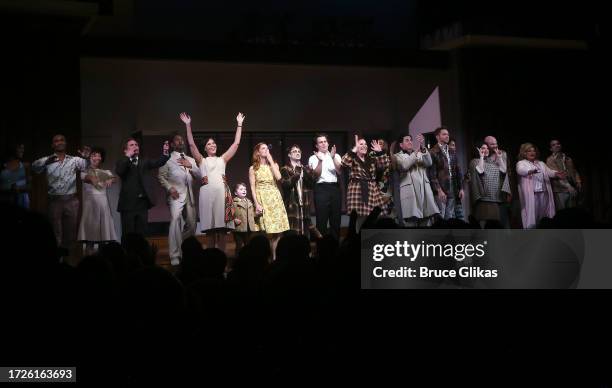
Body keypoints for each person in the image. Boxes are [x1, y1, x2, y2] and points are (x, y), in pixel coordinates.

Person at [180, 112, 244, 252]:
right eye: (209, 144)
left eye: (214, 143)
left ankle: (221, 259)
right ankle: (209, 260)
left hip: (221, 194)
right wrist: (188, 125)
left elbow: (236, 143)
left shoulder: (223, 159)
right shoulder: (201, 160)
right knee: (210, 231)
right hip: (207, 195)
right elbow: (191, 144)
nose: (212, 145)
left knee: (221, 231)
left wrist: (239, 124)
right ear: (205, 147)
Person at [32, 134, 91, 257]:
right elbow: (35, 167)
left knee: (70, 234)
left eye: (62, 140)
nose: (59, 142)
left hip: (71, 200)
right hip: (55, 201)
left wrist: (86, 157)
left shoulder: (74, 160)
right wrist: (46, 161)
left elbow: (86, 166)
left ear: (65, 143)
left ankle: (68, 261)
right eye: (56, 141)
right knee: (55, 232)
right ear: (53, 145)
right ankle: (57, 260)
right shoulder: (47, 160)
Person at [158, 133, 201, 266]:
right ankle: (175, 255)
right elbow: (161, 176)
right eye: (177, 140)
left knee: (192, 224)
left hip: (190, 194)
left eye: (182, 140)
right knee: (175, 220)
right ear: (172, 144)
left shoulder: (190, 159)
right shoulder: (167, 159)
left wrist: (190, 165)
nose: (181, 141)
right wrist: (170, 188)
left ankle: (185, 250)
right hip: (176, 194)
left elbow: (200, 175)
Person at [116, 137, 170, 237]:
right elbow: (120, 171)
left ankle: (141, 252)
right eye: (131, 145)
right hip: (128, 204)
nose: (135, 146)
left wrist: (165, 153)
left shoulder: (144, 162)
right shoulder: (121, 161)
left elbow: (157, 162)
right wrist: (128, 156)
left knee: (141, 233)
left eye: (136, 145)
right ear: (125, 150)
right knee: (128, 234)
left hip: (142, 203)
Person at [249, 143, 289, 260]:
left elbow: (279, 178)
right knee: (268, 232)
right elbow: (252, 187)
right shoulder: (253, 168)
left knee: (278, 231)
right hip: (263, 199)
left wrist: (271, 161)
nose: (266, 150)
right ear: (258, 152)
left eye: (267, 148)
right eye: (263, 148)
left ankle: (277, 258)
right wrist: (256, 203)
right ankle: (267, 258)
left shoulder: (273, 165)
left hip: (275, 198)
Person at [341, 135, 390, 228]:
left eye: (365, 144)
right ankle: (358, 238)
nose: (364, 145)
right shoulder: (353, 159)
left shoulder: (371, 159)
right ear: (355, 146)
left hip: (372, 190)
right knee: (360, 217)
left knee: (374, 216)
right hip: (357, 190)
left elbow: (384, 165)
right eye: (361, 144)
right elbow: (344, 162)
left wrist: (379, 152)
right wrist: (354, 150)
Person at [392, 134, 439, 227]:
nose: (410, 141)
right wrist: (415, 153)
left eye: (411, 140)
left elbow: (429, 163)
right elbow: (404, 166)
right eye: (407, 140)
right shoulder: (397, 156)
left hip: (423, 192)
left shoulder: (420, 153)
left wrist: (423, 148)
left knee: (425, 224)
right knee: (411, 224)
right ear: (401, 145)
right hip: (410, 193)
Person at [78, 147, 118, 254]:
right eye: (94, 155)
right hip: (90, 205)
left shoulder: (106, 172)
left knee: (103, 239)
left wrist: (111, 178)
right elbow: (90, 178)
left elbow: (115, 179)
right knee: (90, 238)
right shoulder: (85, 171)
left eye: (99, 155)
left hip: (103, 204)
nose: (97, 157)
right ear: (89, 157)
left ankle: (103, 262)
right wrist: (106, 177)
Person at [516, 143, 566, 229]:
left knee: (543, 213)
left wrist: (556, 174)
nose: (532, 152)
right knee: (533, 214)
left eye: (533, 150)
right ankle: (532, 231)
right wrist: (530, 171)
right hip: (533, 194)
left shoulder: (541, 163)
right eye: (529, 151)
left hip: (543, 192)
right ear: (524, 153)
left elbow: (549, 172)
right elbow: (520, 170)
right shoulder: (521, 163)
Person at [468, 142, 511, 228]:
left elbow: (503, 170)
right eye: (483, 148)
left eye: (487, 148)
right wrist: (481, 157)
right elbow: (480, 170)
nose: (486, 150)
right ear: (477, 150)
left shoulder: (491, 162)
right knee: (483, 223)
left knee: (494, 224)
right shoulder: (475, 161)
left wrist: (499, 157)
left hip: (494, 198)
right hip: (483, 199)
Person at [308, 133, 342, 240]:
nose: (323, 144)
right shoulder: (313, 157)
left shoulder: (336, 155)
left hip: (335, 189)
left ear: (328, 143)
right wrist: (320, 160)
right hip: (321, 189)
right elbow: (315, 175)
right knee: (321, 221)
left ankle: (335, 248)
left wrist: (332, 158)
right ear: (316, 145)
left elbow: (339, 171)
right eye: (320, 142)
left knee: (336, 220)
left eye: (325, 141)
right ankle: (321, 250)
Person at [280, 144, 319, 238]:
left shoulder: (305, 168)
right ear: (289, 155)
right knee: (293, 233)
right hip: (292, 204)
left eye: (299, 151)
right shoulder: (285, 169)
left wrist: (310, 172)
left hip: (305, 204)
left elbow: (312, 184)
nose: (297, 153)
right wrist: (297, 172)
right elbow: (287, 184)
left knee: (305, 232)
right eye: (294, 151)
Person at [428, 127, 464, 220]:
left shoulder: (452, 151)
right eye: (444, 134)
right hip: (441, 187)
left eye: (447, 134)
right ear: (437, 137)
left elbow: (458, 170)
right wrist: (439, 190)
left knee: (450, 215)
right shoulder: (433, 152)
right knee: (441, 214)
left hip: (452, 185)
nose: (447, 136)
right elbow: (432, 174)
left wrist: (461, 188)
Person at [483, 136, 513, 227]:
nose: (495, 146)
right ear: (486, 145)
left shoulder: (502, 154)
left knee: (503, 215)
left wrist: (509, 191)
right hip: (489, 192)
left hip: (501, 190)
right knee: (491, 218)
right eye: (492, 144)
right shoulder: (484, 157)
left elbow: (504, 171)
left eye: (496, 143)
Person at [546, 139, 582, 211]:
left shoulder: (568, 159)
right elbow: (556, 174)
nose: (556, 145)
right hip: (560, 189)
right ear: (551, 149)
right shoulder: (550, 160)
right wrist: (568, 187)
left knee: (572, 210)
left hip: (572, 187)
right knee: (562, 211)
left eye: (558, 144)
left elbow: (574, 171)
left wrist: (578, 181)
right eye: (554, 145)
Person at [232, 182, 259, 255]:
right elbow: (229, 215)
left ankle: (248, 259)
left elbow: (251, 214)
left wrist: (256, 214)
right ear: (235, 192)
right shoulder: (233, 202)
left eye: (245, 189)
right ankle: (238, 260)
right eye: (241, 189)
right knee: (239, 245)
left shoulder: (249, 202)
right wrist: (233, 220)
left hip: (248, 228)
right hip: (239, 228)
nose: (244, 190)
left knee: (248, 245)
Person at [0, 143, 30, 208]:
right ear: (13, 148)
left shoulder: (25, 166)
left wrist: (19, 187)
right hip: (5, 199)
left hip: (21, 201)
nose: (22, 150)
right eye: (20, 148)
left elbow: (29, 185)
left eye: (23, 148)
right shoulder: (3, 166)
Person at [371, 139, 394, 217]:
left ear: (385, 146)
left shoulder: (388, 158)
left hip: (386, 188)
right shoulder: (372, 156)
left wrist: (379, 153)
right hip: (375, 189)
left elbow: (385, 165)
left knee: (387, 213)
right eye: (377, 143)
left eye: (380, 143)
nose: (378, 145)